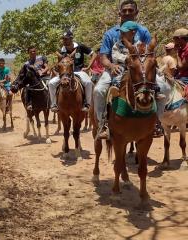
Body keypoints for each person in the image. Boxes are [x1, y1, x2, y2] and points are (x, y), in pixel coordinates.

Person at [93, 0, 168, 140]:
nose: (127, 13)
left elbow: (149, 52)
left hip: (141, 69)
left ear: (136, 13)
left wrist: (151, 67)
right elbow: (103, 57)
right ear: (119, 13)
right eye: (124, 10)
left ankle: (157, 122)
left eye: (130, 10)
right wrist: (111, 66)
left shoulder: (143, 31)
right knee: (98, 90)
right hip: (116, 68)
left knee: (164, 86)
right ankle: (102, 123)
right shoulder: (110, 34)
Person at [48, 30, 94, 112]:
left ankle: (87, 104)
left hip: (79, 71)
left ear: (71, 39)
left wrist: (88, 67)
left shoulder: (80, 46)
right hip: (65, 73)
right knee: (51, 83)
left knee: (88, 83)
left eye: (66, 39)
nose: (64, 41)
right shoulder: (61, 50)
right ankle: (54, 104)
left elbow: (94, 54)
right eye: (63, 39)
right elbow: (60, 64)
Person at [23, 46, 50, 111]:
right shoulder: (26, 64)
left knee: (51, 84)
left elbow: (47, 67)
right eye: (31, 52)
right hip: (33, 80)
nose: (33, 52)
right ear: (28, 53)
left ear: (36, 51)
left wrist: (42, 72)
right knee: (27, 87)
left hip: (43, 76)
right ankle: (29, 103)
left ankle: (52, 102)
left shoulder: (42, 58)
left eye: (34, 51)